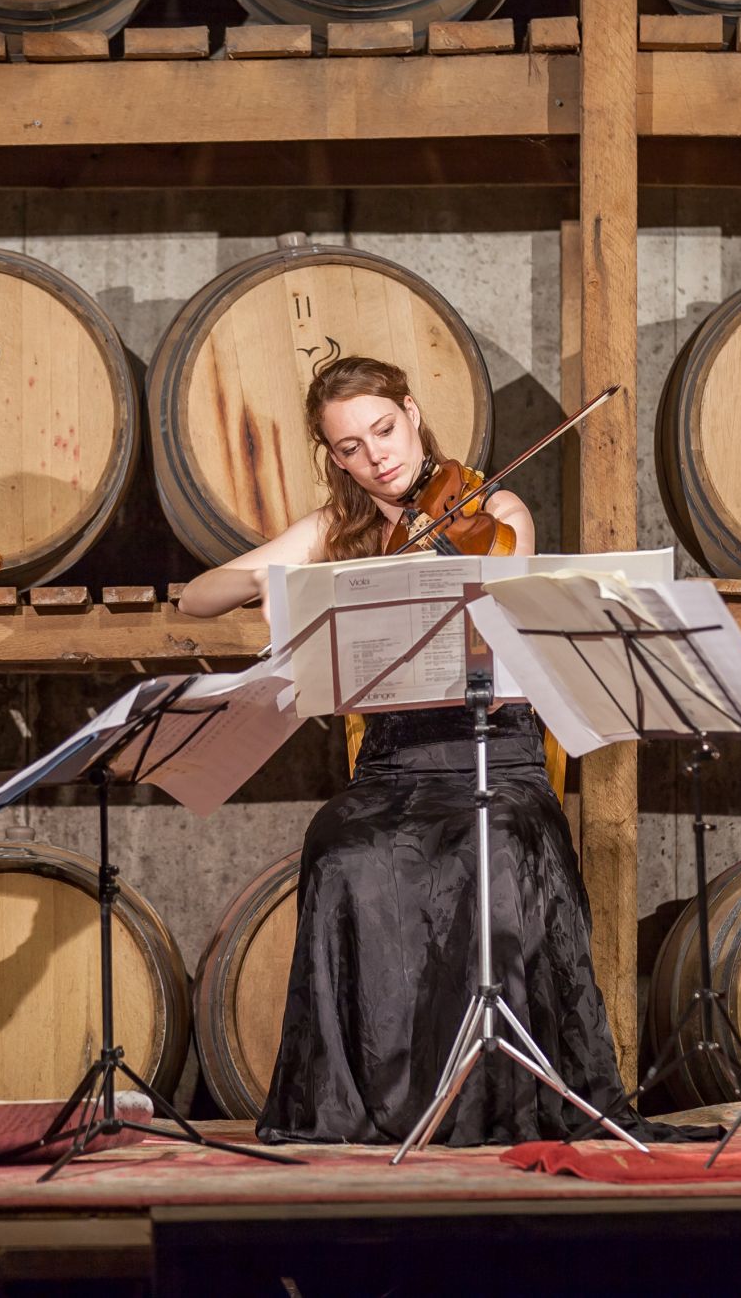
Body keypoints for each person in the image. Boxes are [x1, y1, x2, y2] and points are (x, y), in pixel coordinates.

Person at [179, 356, 634, 1146]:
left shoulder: (495, 509)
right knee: (342, 842)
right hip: (392, 764)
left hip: (492, 751)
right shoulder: (338, 529)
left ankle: (492, 1098)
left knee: (490, 842)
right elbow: (200, 592)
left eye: (383, 430)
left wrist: (421, 569)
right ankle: (374, 1104)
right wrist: (281, 585)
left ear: (413, 413)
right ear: (333, 456)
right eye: (349, 447)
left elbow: (502, 613)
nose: (374, 456)